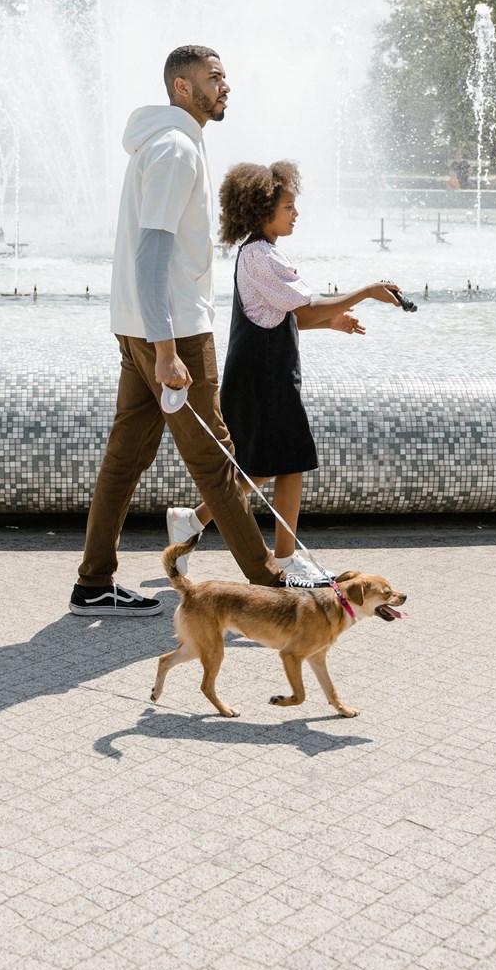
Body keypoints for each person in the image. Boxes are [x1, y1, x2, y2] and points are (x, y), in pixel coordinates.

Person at [70, 47, 322, 618]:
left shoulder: (168, 144)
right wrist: (166, 352)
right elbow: (152, 255)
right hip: (173, 335)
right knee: (218, 464)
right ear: (183, 88)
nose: (224, 87)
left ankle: (93, 583)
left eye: (225, 77)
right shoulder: (176, 149)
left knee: (124, 459)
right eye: (213, 79)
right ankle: (274, 594)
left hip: (142, 328)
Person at [166, 160, 410, 579]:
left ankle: (193, 521)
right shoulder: (261, 256)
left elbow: (287, 313)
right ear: (263, 211)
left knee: (263, 465)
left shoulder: (259, 252)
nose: (296, 214)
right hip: (265, 379)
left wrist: (332, 321)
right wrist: (367, 291)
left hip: (261, 374)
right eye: (288, 207)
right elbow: (306, 306)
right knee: (290, 461)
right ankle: (283, 559)